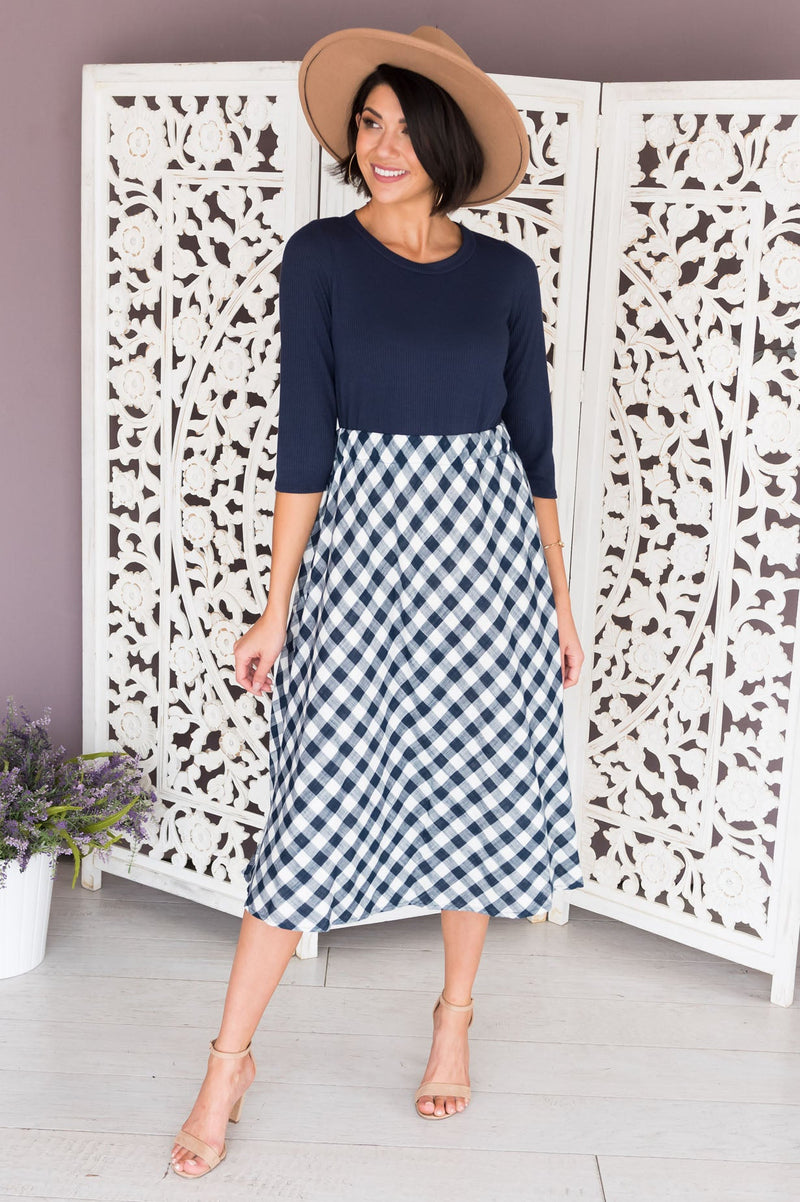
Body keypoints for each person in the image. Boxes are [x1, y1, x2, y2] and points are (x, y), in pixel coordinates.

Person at [170, 24, 585, 1179]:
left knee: (475, 787)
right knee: (315, 799)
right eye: (368, 121)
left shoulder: (505, 276)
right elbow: (303, 438)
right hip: (363, 552)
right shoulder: (319, 256)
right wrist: (275, 606)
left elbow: (534, 449)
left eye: (404, 124)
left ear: (446, 139)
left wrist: (557, 601)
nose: (382, 143)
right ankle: (227, 1061)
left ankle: (453, 1019)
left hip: (487, 564)